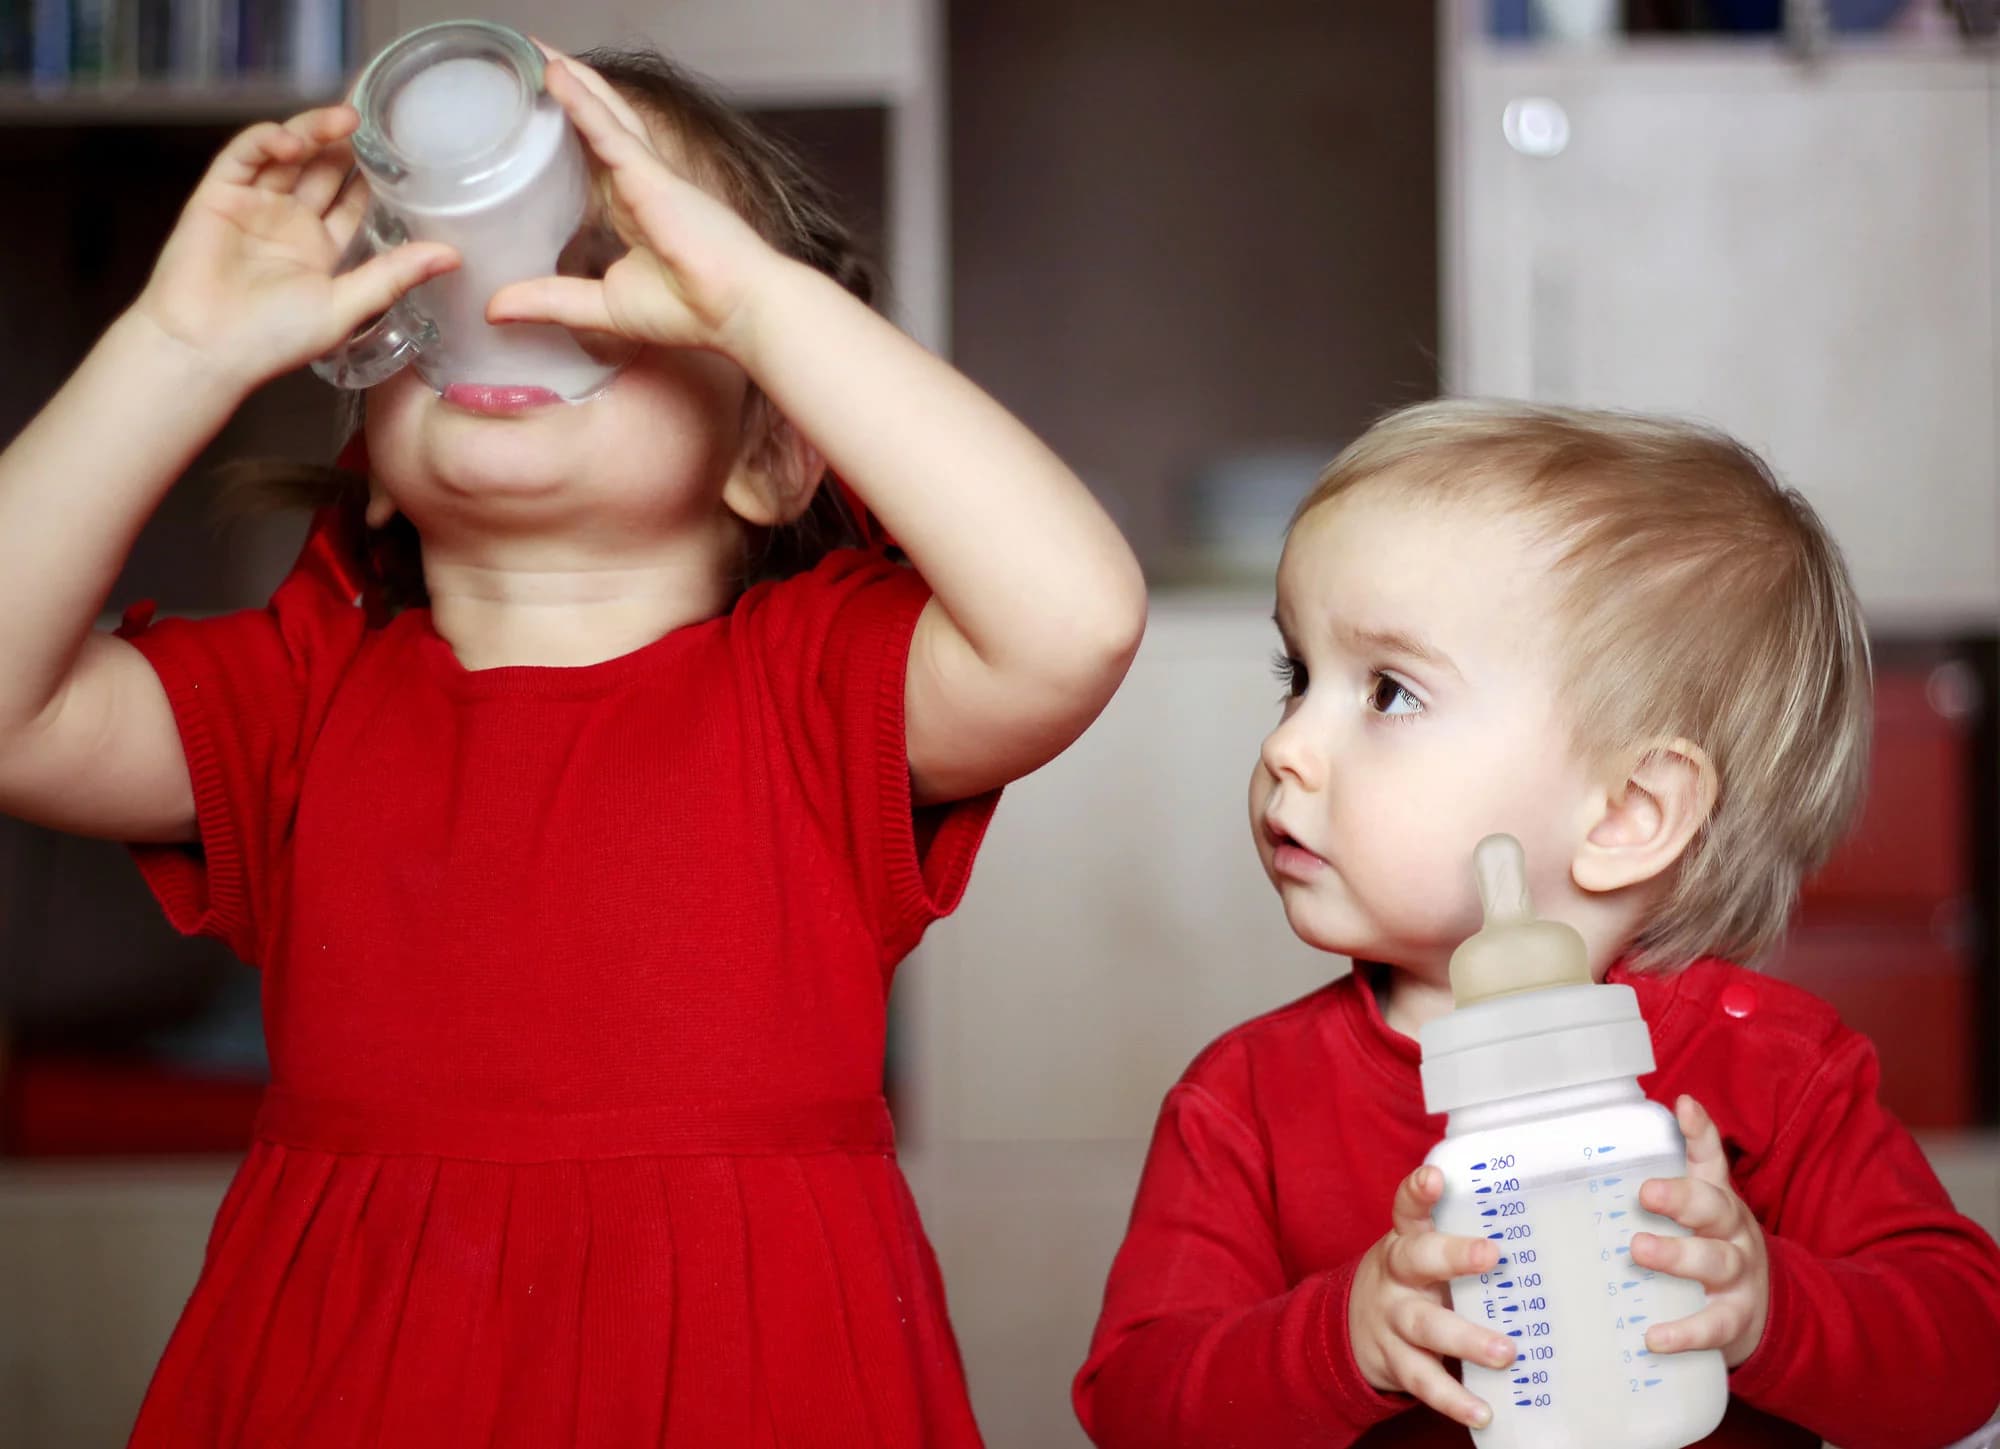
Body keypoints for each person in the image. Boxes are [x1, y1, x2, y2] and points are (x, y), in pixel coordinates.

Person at [0, 43, 1146, 1446]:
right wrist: (174, 351)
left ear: (773, 452)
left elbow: (1076, 621)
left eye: (606, 264)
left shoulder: (818, 691)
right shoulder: (300, 700)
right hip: (352, 1381)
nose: (519, 303)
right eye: (452, 270)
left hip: (756, 1384)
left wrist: (761, 305)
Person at [1074, 399, 2000, 1448]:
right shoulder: (1242, 1104)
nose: (1287, 744)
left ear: (1626, 813)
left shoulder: (1776, 1071)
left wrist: (1771, 1307)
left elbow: (1966, 1352)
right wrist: (1341, 1338)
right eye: (1296, 677)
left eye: (1386, 692)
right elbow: (1135, 1403)